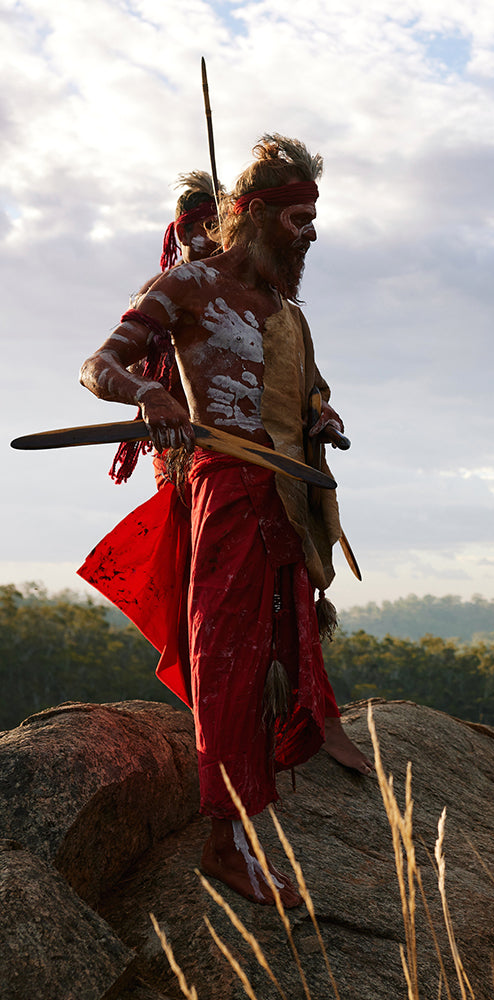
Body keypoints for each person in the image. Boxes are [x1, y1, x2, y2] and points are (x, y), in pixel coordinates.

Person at [79, 135, 372, 908]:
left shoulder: (287, 314)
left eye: (315, 219)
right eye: (298, 219)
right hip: (224, 490)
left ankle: (246, 824)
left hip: (285, 497)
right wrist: (149, 396)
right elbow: (98, 366)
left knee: (272, 658)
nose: (310, 234)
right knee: (227, 659)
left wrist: (322, 417)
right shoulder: (187, 286)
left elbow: (308, 395)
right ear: (252, 213)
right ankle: (223, 841)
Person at [110, 170, 224, 485]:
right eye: (212, 228)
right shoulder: (159, 296)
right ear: (183, 235)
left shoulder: (244, 294)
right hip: (182, 452)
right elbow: (125, 367)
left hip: (243, 454)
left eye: (228, 229)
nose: (222, 240)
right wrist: (153, 396)